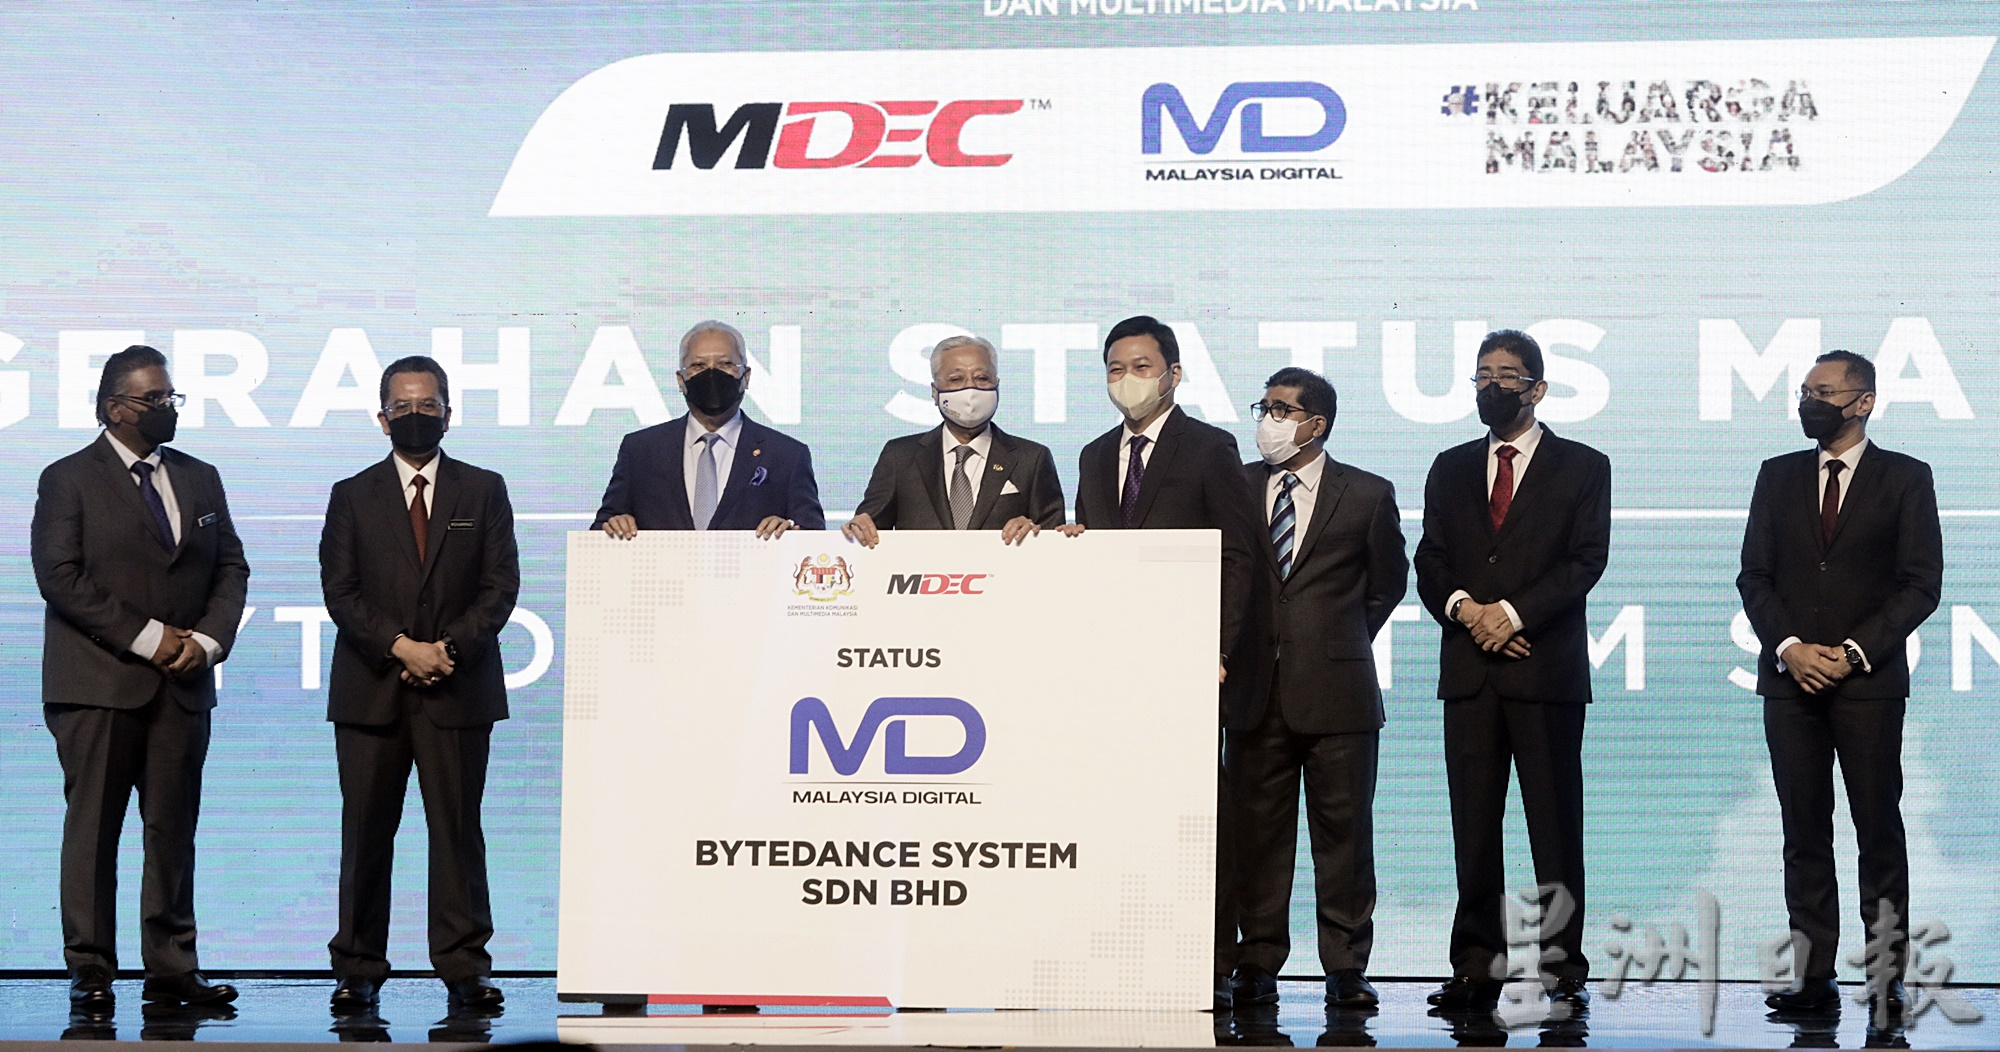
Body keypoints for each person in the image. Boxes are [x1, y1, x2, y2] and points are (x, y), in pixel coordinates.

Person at [31, 344, 250, 1016]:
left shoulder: (200, 476)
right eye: (154, 399)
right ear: (113, 408)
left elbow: (231, 567)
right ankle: (90, 970)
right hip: (97, 686)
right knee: (94, 833)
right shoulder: (67, 478)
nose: (167, 409)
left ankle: (173, 971)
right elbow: (60, 577)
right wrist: (153, 639)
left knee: (173, 833)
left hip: (183, 687)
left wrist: (206, 643)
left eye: (170, 397)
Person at [1737, 350, 1941, 1017]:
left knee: (1877, 830)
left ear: (1864, 402)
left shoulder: (1907, 477)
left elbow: (1921, 584)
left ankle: (1886, 977)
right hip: (1789, 683)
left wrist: (1853, 653)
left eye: (1823, 393)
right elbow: (1754, 576)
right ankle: (1813, 976)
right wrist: (1790, 649)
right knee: (1804, 832)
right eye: (1804, 392)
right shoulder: (1776, 475)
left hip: (1869, 685)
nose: (1809, 403)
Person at [1413, 329, 1609, 1012]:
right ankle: (1476, 965)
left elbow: (1585, 560)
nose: (1491, 386)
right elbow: (1430, 559)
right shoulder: (1450, 466)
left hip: (1545, 671)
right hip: (1471, 672)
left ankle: (1562, 967)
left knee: (1554, 826)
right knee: (1473, 829)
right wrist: (1469, 612)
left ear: (1538, 389)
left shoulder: (1583, 466)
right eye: (1482, 375)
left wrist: (1514, 615)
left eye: (1506, 375)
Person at [320, 356, 520, 1015]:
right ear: (382, 419)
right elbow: (340, 592)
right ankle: (357, 966)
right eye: (402, 407)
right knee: (364, 835)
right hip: (370, 691)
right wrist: (402, 647)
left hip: (459, 689)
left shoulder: (484, 489)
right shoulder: (351, 494)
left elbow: (500, 586)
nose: (415, 416)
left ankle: (464, 967)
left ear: (448, 414)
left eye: (427, 405)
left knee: (457, 833)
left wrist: (447, 650)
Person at [1073, 315, 1260, 1009]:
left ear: (1174, 374)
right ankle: (1124, 951)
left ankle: (1213, 959)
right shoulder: (1094, 454)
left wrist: (1218, 646)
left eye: (1142, 366)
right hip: (1115, 667)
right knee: (1120, 814)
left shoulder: (1210, 447)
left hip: (1187, 664)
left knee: (1198, 817)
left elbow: (1238, 555)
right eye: (1116, 368)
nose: (1128, 380)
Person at [1224, 368, 1406, 1010]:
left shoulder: (1368, 493)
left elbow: (1387, 584)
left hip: (1339, 693)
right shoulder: (1237, 484)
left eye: (1282, 409)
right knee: (1257, 839)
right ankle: (1257, 961)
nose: (1267, 419)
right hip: (1253, 692)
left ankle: (1346, 967)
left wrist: (1336, 641)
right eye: (1265, 406)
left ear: (1316, 424)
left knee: (1345, 839)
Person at [594, 320, 823, 539]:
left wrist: (792, 534)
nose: (712, 374)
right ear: (681, 380)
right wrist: (614, 526)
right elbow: (601, 530)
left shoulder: (788, 455)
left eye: (725, 364)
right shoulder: (640, 450)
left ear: (746, 377)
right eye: (698, 366)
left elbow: (813, 539)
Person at [841, 334, 1064, 547]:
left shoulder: (1032, 458)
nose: (971, 389)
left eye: (982, 378)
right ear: (935, 391)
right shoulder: (899, 456)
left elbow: (1052, 537)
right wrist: (857, 528)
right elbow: (868, 528)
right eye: (956, 379)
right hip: (919, 573)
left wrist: (1036, 533)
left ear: (997, 385)